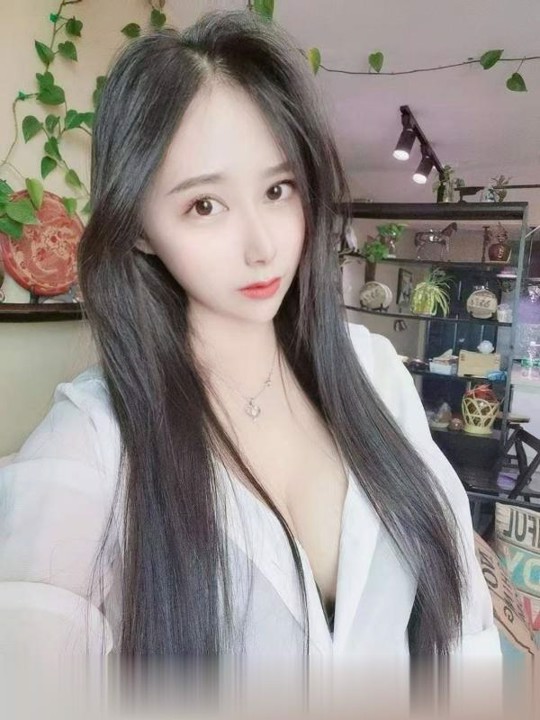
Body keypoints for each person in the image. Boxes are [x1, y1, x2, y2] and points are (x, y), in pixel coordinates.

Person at [0, 8, 501, 717]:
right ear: (139, 228)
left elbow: (465, 625)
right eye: (205, 205)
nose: (263, 246)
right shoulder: (93, 443)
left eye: (277, 190)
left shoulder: (375, 373)